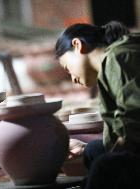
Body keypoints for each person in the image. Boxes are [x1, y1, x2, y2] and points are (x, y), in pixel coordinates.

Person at [55, 21, 140, 169]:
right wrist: (85, 147)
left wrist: (109, 161)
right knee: (91, 150)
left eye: (68, 69)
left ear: (77, 45)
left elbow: (133, 123)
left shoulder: (118, 57)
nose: (73, 79)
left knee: (102, 166)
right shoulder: (111, 61)